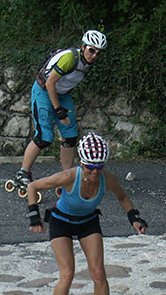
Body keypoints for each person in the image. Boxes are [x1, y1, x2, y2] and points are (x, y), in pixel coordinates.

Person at [26, 132, 148, 295]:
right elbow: (33, 187)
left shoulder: (107, 179)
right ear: (81, 163)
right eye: (90, 168)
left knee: (99, 273)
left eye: (98, 168)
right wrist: (34, 216)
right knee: (67, 273)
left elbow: (122, 197)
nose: (94, 173)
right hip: (61, 221)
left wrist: (134, 218)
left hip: (87, 222)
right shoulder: (69, 177)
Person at [15, 30, 108, 189]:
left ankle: (68, 177)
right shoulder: (69, 59)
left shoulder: (88, 63)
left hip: (62, 94)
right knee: (44, 136)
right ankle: (22, 174)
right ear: (83, 46)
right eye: (92, 50)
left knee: (70, 136)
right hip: (43, 91)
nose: (94, 55)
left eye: (98, 53)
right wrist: (58, 110)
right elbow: (50, 83)